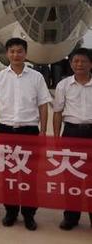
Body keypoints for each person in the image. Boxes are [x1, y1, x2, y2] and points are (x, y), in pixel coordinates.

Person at [0, 37, 52, 231]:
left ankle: (29, 214)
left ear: (25, 53)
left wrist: (43, 130)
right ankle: (10, 211)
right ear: (7, 53)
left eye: (19, 51)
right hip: (6, 130)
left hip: (29, 131)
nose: (16, 55)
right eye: (12, 51)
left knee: (29, 175)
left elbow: (43, 105)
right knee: (8, 175)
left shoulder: (36, 77)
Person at [52, 47, 92, 230]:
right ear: (70, 64)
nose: (79, 64)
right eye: (76, 61)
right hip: (71, 133)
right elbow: (57, 112)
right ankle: (71, 217)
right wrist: (56, 139)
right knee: (71, 177)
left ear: (91, 64)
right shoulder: (63, 85)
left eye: (84, 61)